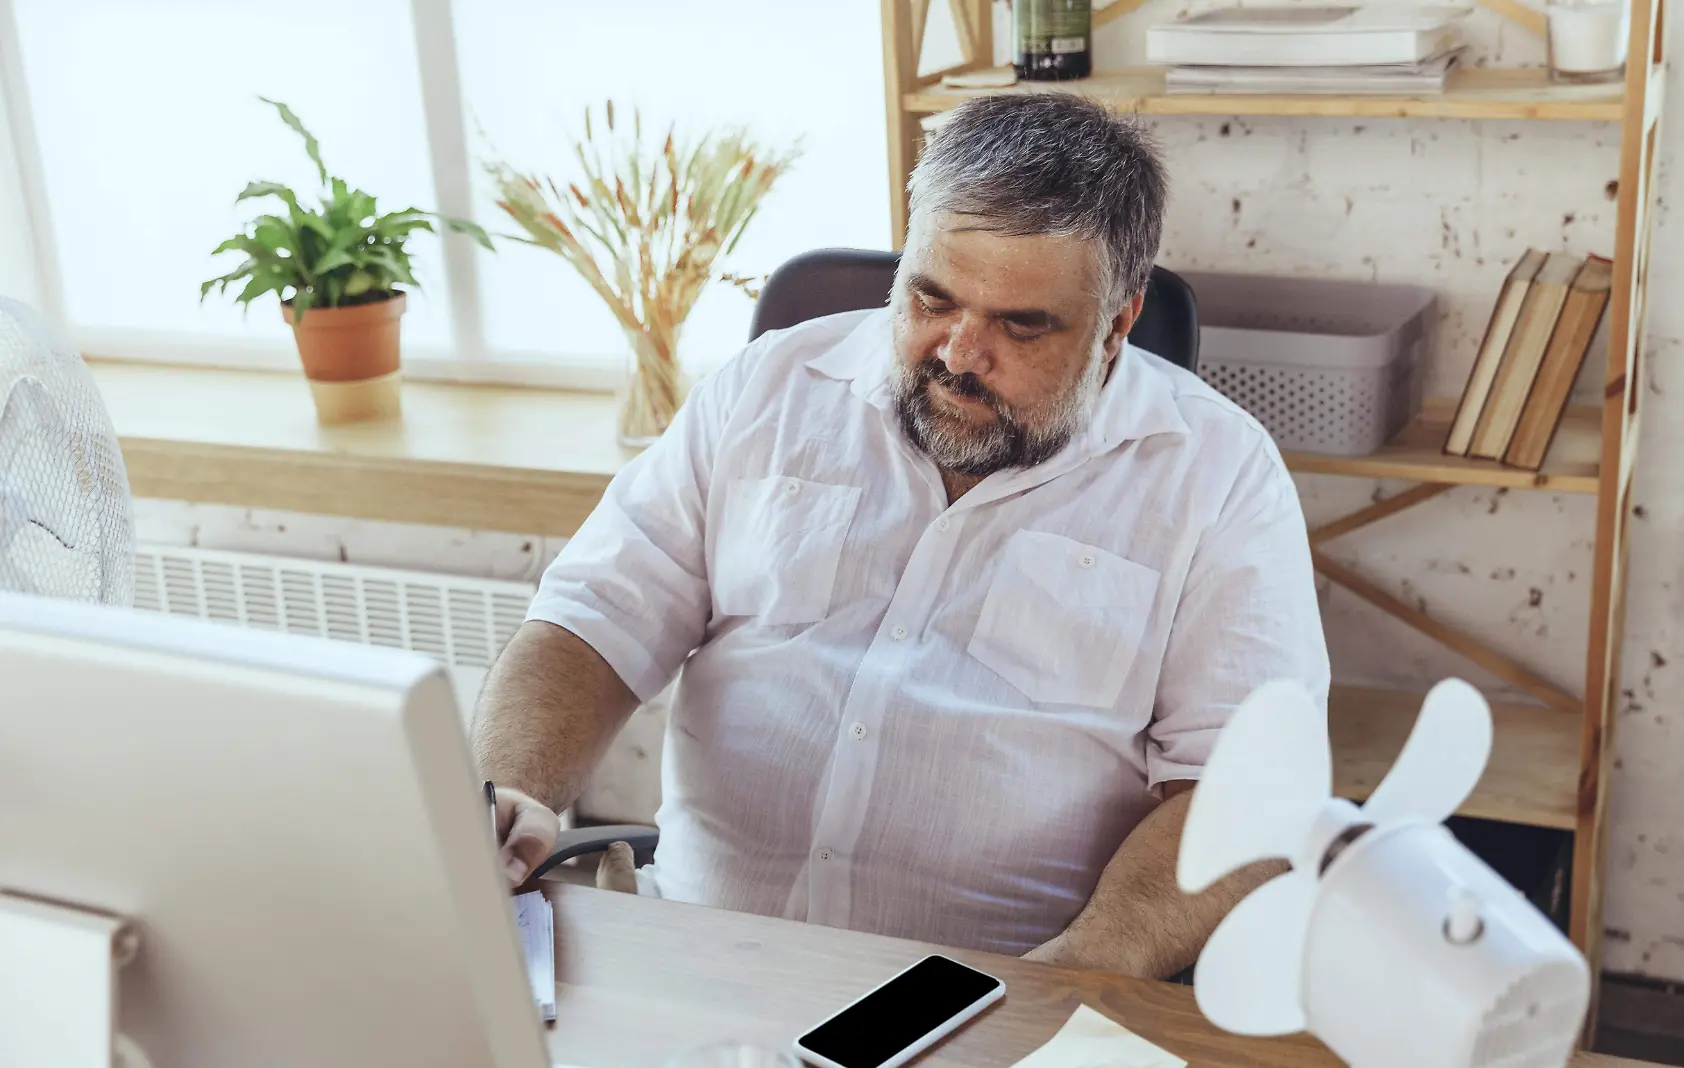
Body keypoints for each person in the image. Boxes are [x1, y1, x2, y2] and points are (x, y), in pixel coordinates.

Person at [473, 92, 1329, 980]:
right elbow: (588, 622)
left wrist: (1069, 979)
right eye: (932, 297)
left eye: (1021, 324)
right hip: (704, 957)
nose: (959, 354)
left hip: (1000, 991)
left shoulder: (1217, 472)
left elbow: (1247, 789)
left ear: (1117, 324)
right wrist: (514, 790)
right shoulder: (772, 386)